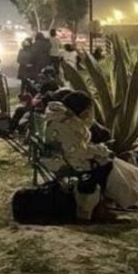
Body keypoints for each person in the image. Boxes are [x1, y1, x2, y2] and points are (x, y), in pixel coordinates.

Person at [42, 91, 114, 221]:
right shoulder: (67, 124)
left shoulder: (60, 119)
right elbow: (79, 151)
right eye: (89, 110)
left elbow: (77, 146)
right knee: (105, 166)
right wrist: (101, 151)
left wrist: (98, 150)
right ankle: (91, 208)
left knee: (102, 160)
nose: (90, 114)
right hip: (66, 162)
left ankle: (96, 204)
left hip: (60, 157)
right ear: (82, 110)